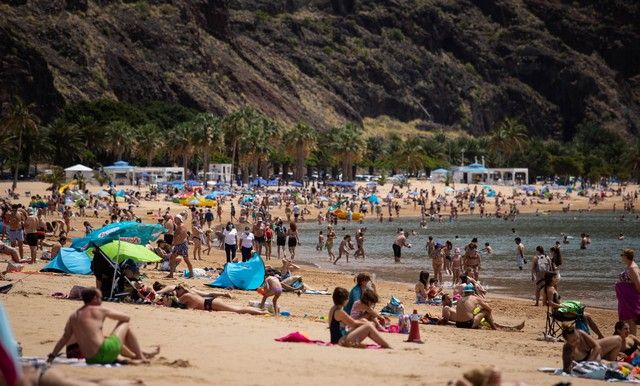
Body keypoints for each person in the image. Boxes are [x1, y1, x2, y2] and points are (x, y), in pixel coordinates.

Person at [47, 288, 158, 365]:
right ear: (94, 299)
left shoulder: (74, 315)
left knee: (105, 338)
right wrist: (106, 315)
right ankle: (140, 356)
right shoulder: (100, 309)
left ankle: (135, 355)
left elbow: (64, 338)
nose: (101, 300)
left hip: (91, 359)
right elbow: (126, 318)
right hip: (105, 352)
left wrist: (52, 355)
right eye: (100, 297)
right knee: (124, 324)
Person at [543, 272, 604, 338]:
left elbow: (544, 303)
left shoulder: (550, 287)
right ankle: (590, 335)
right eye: (554, 277)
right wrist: (562, 306)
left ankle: (593, 335)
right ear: (550, 279)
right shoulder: (550, 289)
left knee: (585, 315)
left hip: (559, 311)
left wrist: (563, 305)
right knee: (586, 316)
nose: (556, 279)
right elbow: (550, 303)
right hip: (559, 314)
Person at [455, 284, 524, 331]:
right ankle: (494, 327)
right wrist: (483, 310)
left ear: (465, 292)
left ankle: (492, 325)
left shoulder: (460, 299)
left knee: (478, 313)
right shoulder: (475, 298)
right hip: (467, 324)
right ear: (473, 291)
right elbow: (489, 309)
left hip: (458, 324)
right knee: (486, 311)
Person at [173, 285, 267, 315]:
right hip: (211, 302)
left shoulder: (186, 296)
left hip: (212, 303)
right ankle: (260, 310)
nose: (176, 292)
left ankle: (262, 312)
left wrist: (173, 295)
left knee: (237, 310)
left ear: (182, 289)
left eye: (177, 289)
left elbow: (176, 303)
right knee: (237, 308)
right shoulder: (191, 293)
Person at [616, 249, 640, 335]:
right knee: (626, 319)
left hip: (631, 299)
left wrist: (634, 297)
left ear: (626, 256)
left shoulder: (633, 268)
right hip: (626, 299)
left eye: (622, 255)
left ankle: (633, 340)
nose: (621, 257)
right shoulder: (630, 266)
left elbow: (638, 284)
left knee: (631, 320)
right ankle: (628, 338)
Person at [167, 215, 193, 279]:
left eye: (176, 219)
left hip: (181, 245)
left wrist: (174, 244)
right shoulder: (180, 226)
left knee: (185, 260)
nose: (175, 220)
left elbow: (181, 236)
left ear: (179, 219)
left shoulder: (181, 226)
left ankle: (191, 274)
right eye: (175, 219)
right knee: (173, 258)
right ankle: (171, 274)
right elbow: (185, 235)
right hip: (180, 244)